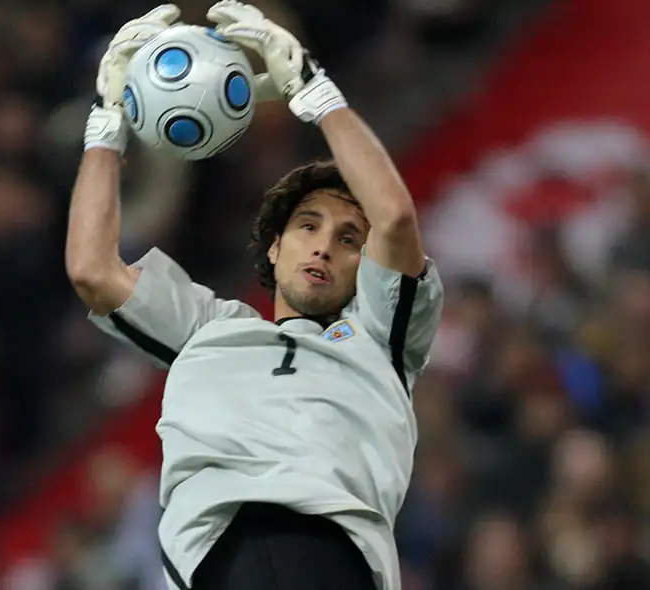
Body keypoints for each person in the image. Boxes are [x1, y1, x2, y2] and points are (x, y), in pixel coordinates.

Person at [66, 3, 444, 590]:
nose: (322, 248)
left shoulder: (382, 334)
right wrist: (106, 122)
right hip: (216, 560)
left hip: (329, 556)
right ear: (273, 249)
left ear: (367, 267)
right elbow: (91, 267)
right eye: (308, 227)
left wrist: (313, 90)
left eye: (348, 239)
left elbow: (393, 217)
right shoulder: (207, 328)